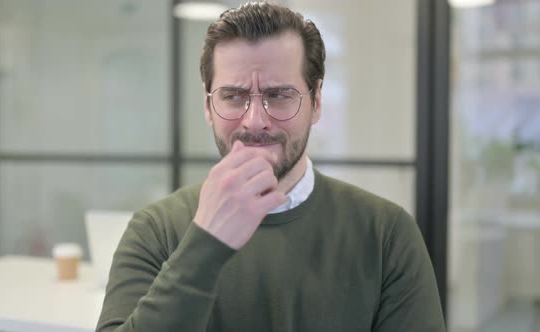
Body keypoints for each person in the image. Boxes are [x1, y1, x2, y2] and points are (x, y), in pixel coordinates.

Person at [96, 2, 446, 331]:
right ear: (207, 105)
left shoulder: (385, 233)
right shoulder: (156, 230)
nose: (255, 121)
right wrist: (206, 243)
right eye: (233, 96)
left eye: (279, 95)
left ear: (317, 100)